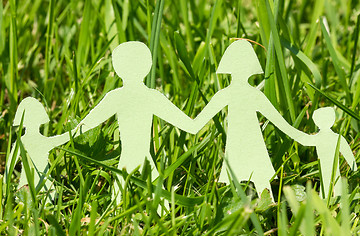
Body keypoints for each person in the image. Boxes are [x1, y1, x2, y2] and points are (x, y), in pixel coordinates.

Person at [78, 41, 196, 204]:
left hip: (129, 158)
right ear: (148, 65)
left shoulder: (118, 96)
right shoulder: (150, 96)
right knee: (157, 205)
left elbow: (85, 125)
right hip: (138, 158)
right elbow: (191, 126)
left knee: (116, 206)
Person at [192, 40, 304, 200]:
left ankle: (244, 207)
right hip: (247, 143)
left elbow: (196, 124)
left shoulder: (231, 94)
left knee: (244, 179)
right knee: (252, 178)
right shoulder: (249, 94)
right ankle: (261, 205)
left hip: (246, 143)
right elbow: (280, 123)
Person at [6, 97, 74, 201]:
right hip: (28, 183)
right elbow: (10, 165)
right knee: (26, 205)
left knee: (46, 202)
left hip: (44, 182)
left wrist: (77, 130)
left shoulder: (39, 141)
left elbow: (63, 138)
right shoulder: (21, 142)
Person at [294, 107, 357, 198]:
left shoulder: (321, 138)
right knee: (333, 188)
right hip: (331, 170)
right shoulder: (337, 137)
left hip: (327, 170)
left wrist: (290, 131)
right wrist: (353, 167)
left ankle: (326, 205)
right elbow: (347, 153)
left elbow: (304, 140)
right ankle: (334, 204)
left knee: (327, 189)